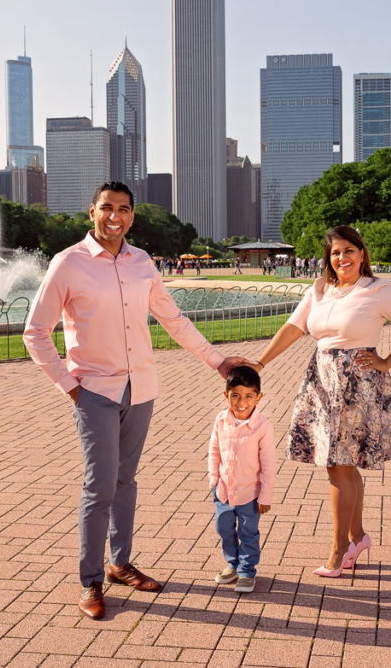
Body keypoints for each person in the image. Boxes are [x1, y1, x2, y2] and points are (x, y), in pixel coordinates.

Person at [23, 181, 246, 620]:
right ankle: (90, 581)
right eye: (107, 208)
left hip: (140, 388)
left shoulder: (141, 262)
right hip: (94, 391)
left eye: (123, 209)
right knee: (99, 484)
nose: (115, 216)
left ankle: (120, 563)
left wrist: (218, 361)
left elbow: (174, 320)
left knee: (126, 481)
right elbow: (35, 332)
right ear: (92, 212)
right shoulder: (68, 263)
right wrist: (69, 385)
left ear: (131, 216)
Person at [250, 225, 391, 578]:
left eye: (349, 250)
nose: (342, 257)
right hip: (322, 382)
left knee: (338, 466)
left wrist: (386, 362)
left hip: (358, 386)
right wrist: (260, 363)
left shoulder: (379, 289)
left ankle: (340, 549)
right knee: (344, 465)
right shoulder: (319, 289)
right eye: (335, 252)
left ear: (362, 253)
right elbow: (293, 328)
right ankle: (357, 537)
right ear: (328, 259)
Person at [208, 366, 276, 594]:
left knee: (248, 533)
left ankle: (247, 570)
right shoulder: (221, 420)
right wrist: (214, 480)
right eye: (235, 395)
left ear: (258, 397)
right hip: (224, 491)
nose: (241, 402)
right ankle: (233, 565)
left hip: (250, 494)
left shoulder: (262, 427)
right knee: (224, 529)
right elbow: (214, 450)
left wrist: (265, 496)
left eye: (248, 396)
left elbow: (268, 465)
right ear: (226, 395)